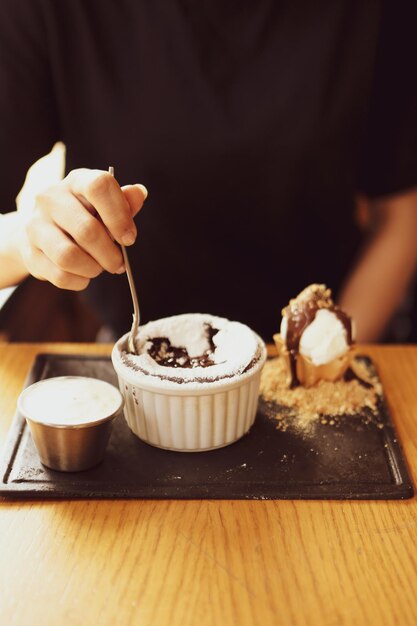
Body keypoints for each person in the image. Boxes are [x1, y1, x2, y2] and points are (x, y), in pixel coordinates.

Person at [1, 1, 417, 343]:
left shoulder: (376, 14)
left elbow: (400, 215)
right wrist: (27, 239)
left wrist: (331, 347)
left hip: (316, 347)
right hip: (136, 352)